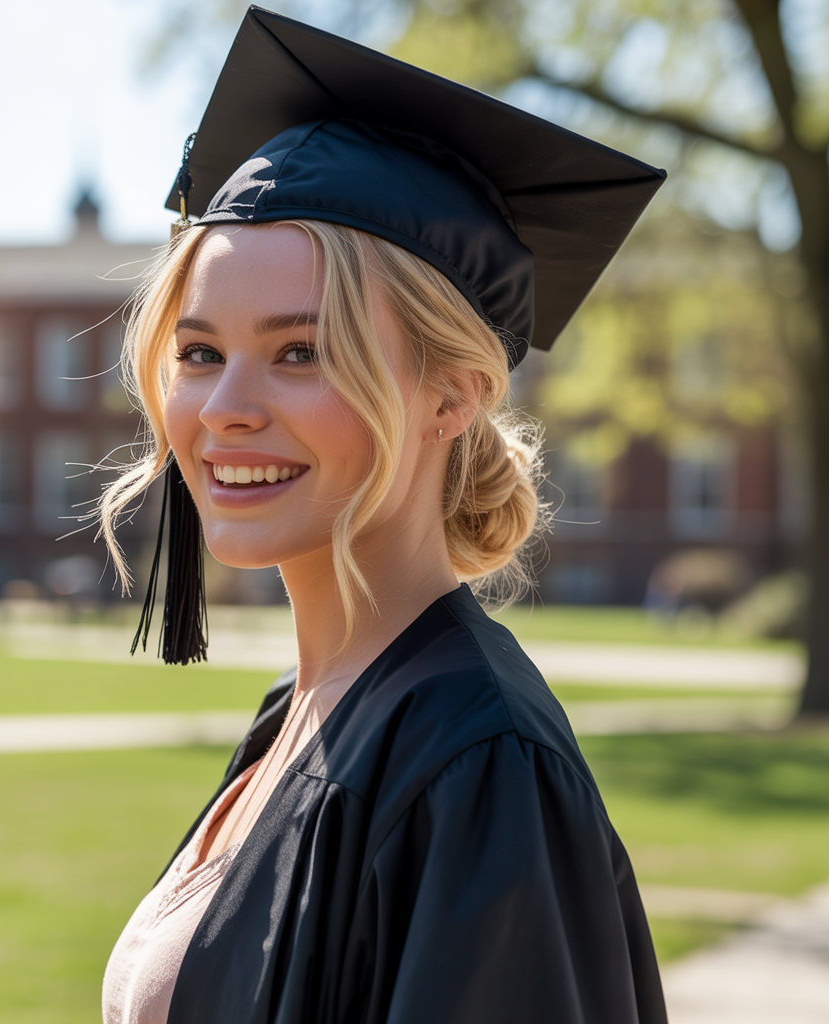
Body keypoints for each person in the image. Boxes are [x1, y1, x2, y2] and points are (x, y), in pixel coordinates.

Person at [98, 8, 668, 1023]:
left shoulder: (478, 762)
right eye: (199, 352)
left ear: (452, 394)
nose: (225, 406)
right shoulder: (308, 709)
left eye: (300, 351)